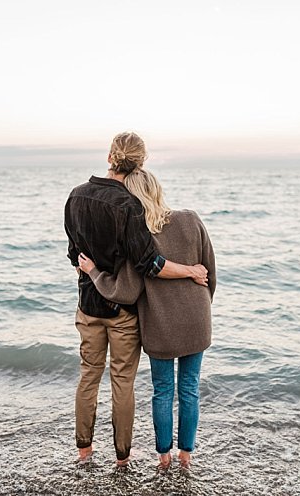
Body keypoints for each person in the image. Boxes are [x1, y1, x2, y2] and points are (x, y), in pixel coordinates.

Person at [63, 131, 209, 467]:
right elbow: (149, 265)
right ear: (141, 163)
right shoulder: (130, 207)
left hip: (87, 304)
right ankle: (123, 458)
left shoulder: (75, 197)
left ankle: (84, 451)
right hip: (122, 310)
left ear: (109, 156)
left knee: (89, 376)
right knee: (123, 382)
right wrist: (191, 273)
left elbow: (74, 254)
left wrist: (90, 271)